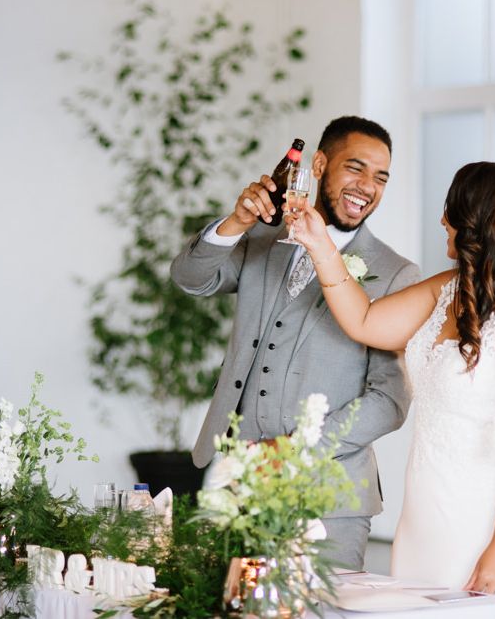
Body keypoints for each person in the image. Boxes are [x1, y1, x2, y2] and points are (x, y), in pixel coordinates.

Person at [286, 161, 495, 617]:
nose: (442, 220)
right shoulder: (447, 290)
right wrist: (319, 246)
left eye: (451, 210)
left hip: (486, 523)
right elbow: (364, 320)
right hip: (425, 514)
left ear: (475, 221)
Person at [170, 116, 420, 569]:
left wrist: (293, 450)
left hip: (329, 500)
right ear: (319, 164)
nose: (367, 186)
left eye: (380, 177)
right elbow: (190, 278)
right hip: (234, 482)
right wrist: (236, 221)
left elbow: (391, 399)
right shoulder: (262, 239)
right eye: (355, 168)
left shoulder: (395, 273)